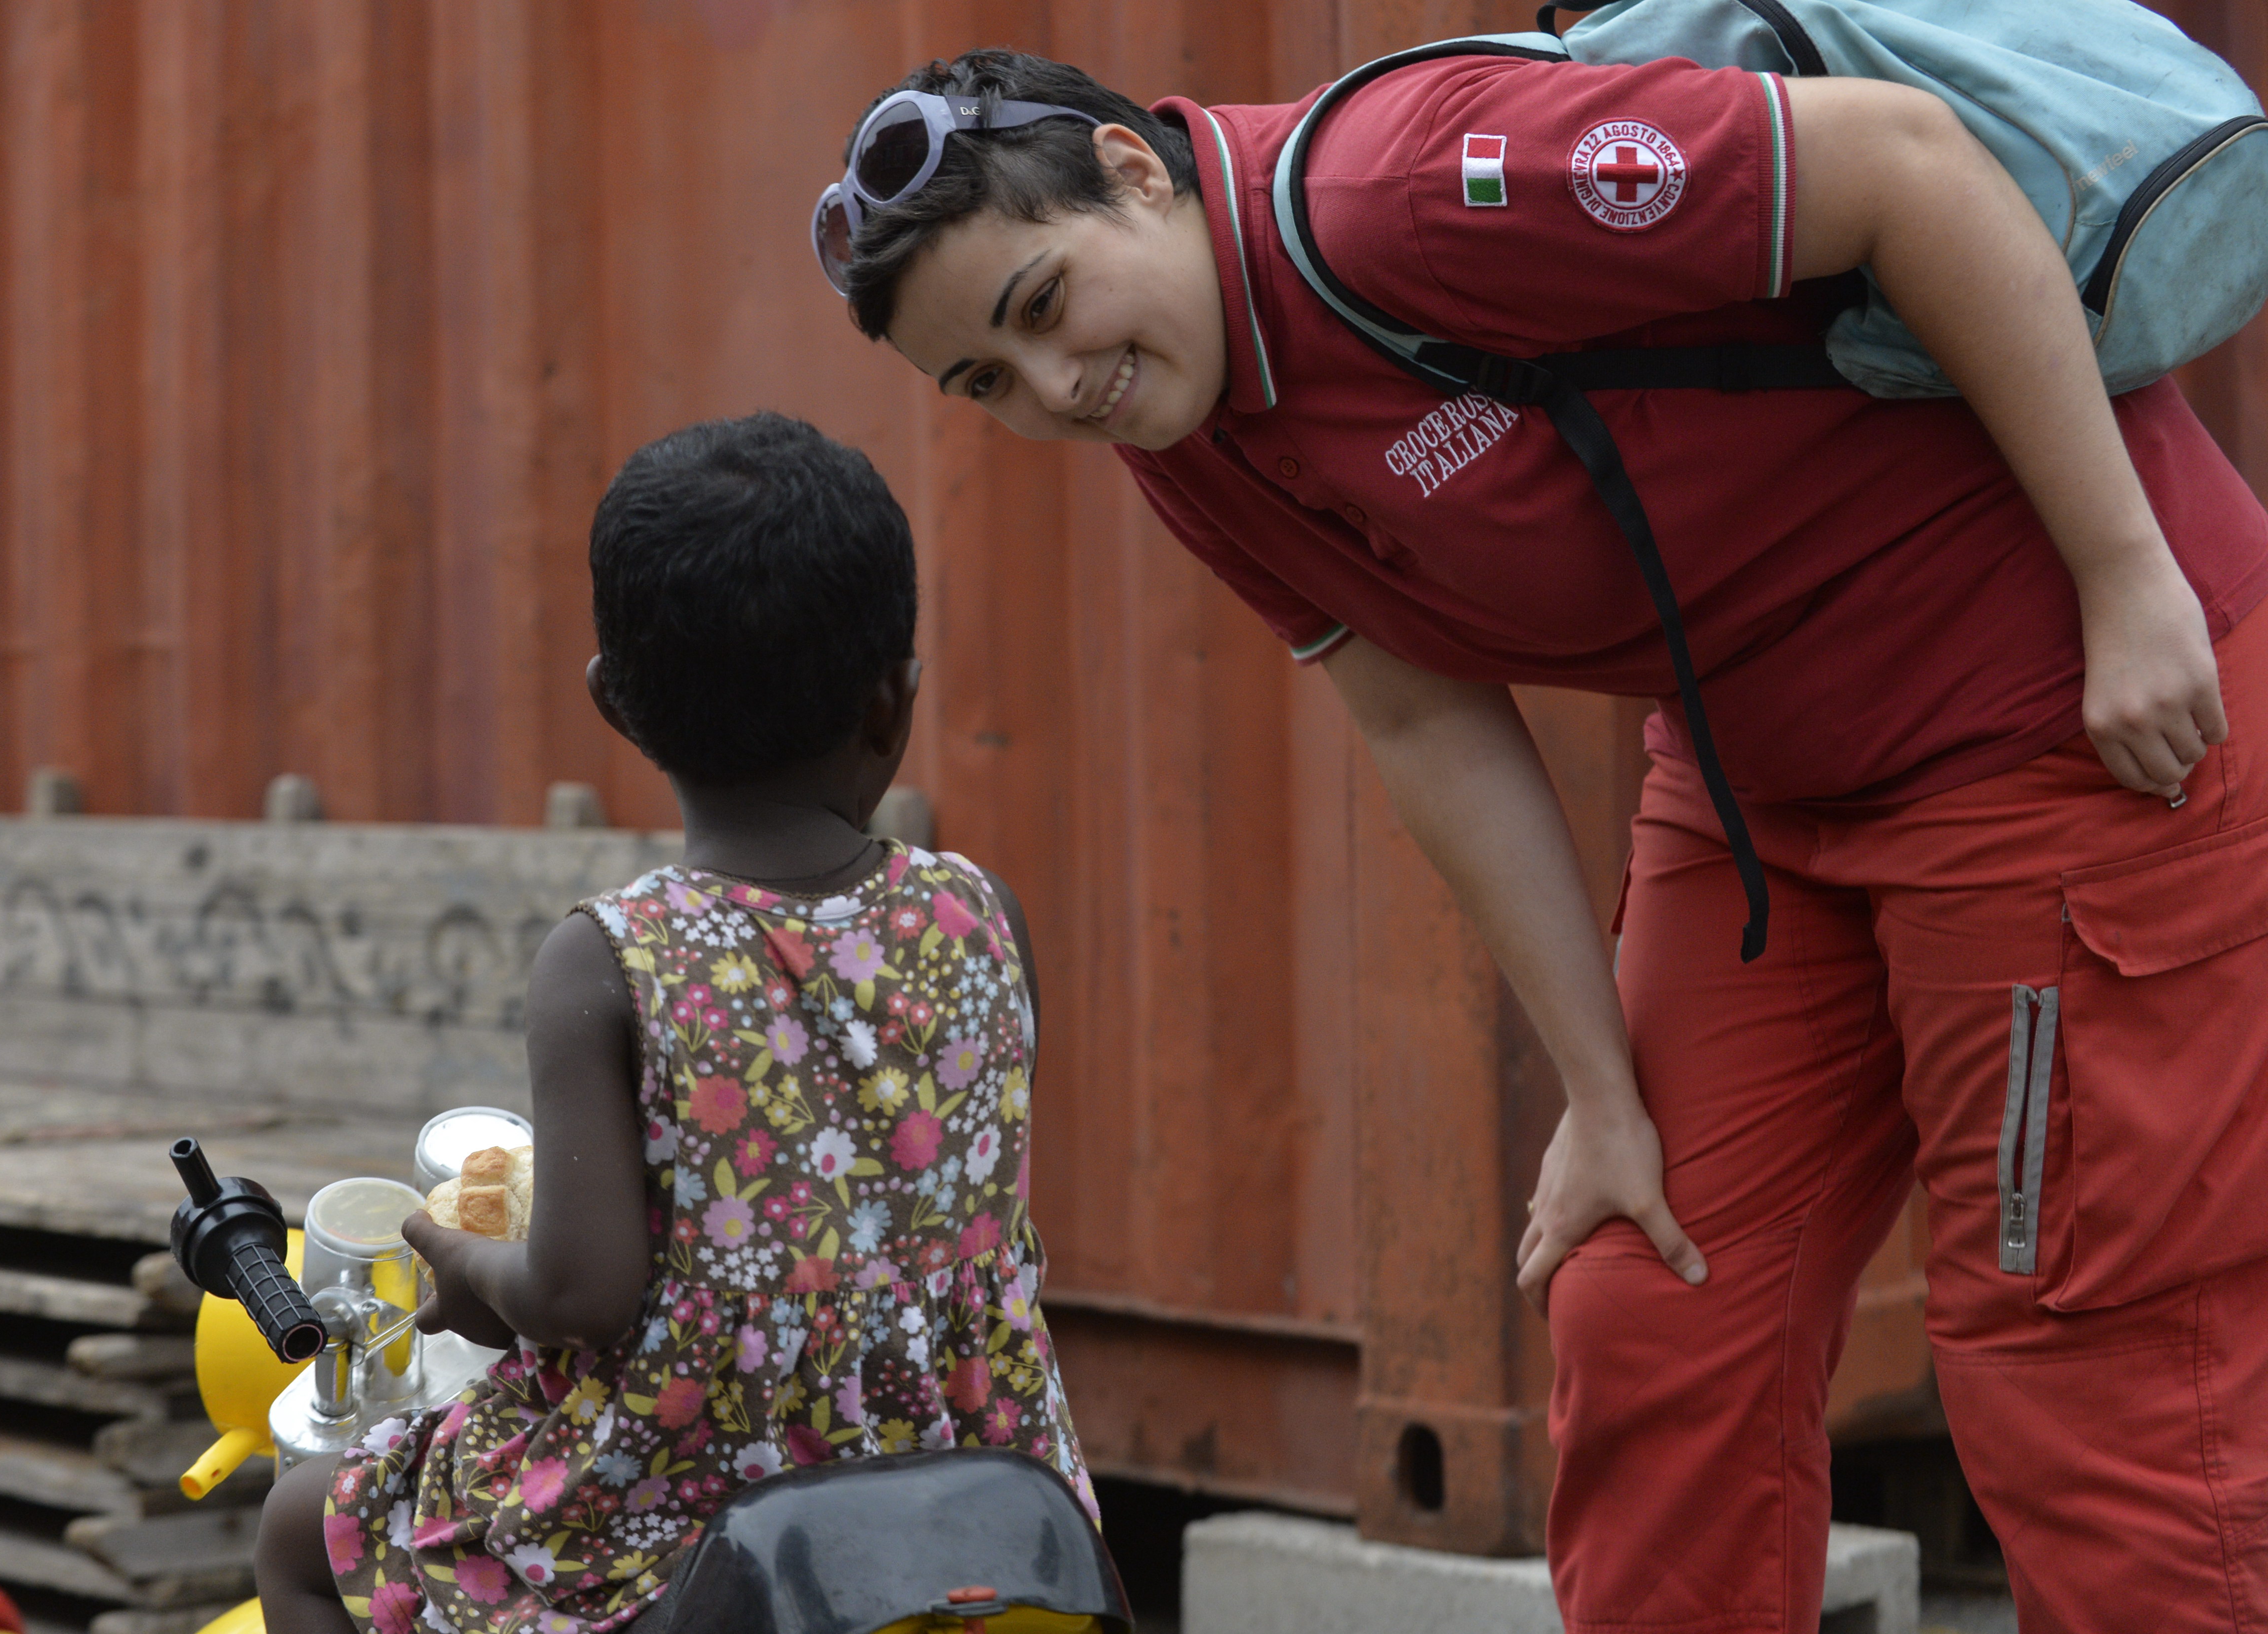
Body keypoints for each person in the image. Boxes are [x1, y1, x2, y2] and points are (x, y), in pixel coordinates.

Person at [816, 42, 2268, 1634]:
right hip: (1765, 783)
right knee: (1649, 1307)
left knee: (2075, 1360)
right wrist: (1602, 1095)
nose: (1056, 391)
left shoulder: (1412, 193)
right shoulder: (1190, 434)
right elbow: (1430, 720)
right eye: (986, 389)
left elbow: (1910, 166)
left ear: (1138, 174)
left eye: (1040, 309)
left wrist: (2127, 576)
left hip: (2063, 715)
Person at [252, 411, 1094, 1633]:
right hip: (986, 1494)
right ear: (892, 705)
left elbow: (583, 1293)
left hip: (688, 1524)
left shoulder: (607, 959)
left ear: (617, 707)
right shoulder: (983, 914)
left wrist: (464, 1258)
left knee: (298, 1530)